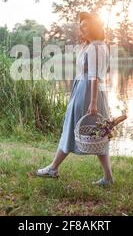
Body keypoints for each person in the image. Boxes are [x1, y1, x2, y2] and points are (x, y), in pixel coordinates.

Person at [35, 11, 114, 187]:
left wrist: (93, 102)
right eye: (80, 25)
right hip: (84, 89)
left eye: (85, 25)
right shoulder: (91, 46)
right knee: (97, 134)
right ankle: (108, 177)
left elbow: (94, 76)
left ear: (93, 28)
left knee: (78, 128)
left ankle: (53, 168)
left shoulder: (96, 47)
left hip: (88, 91)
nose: (81, 28)